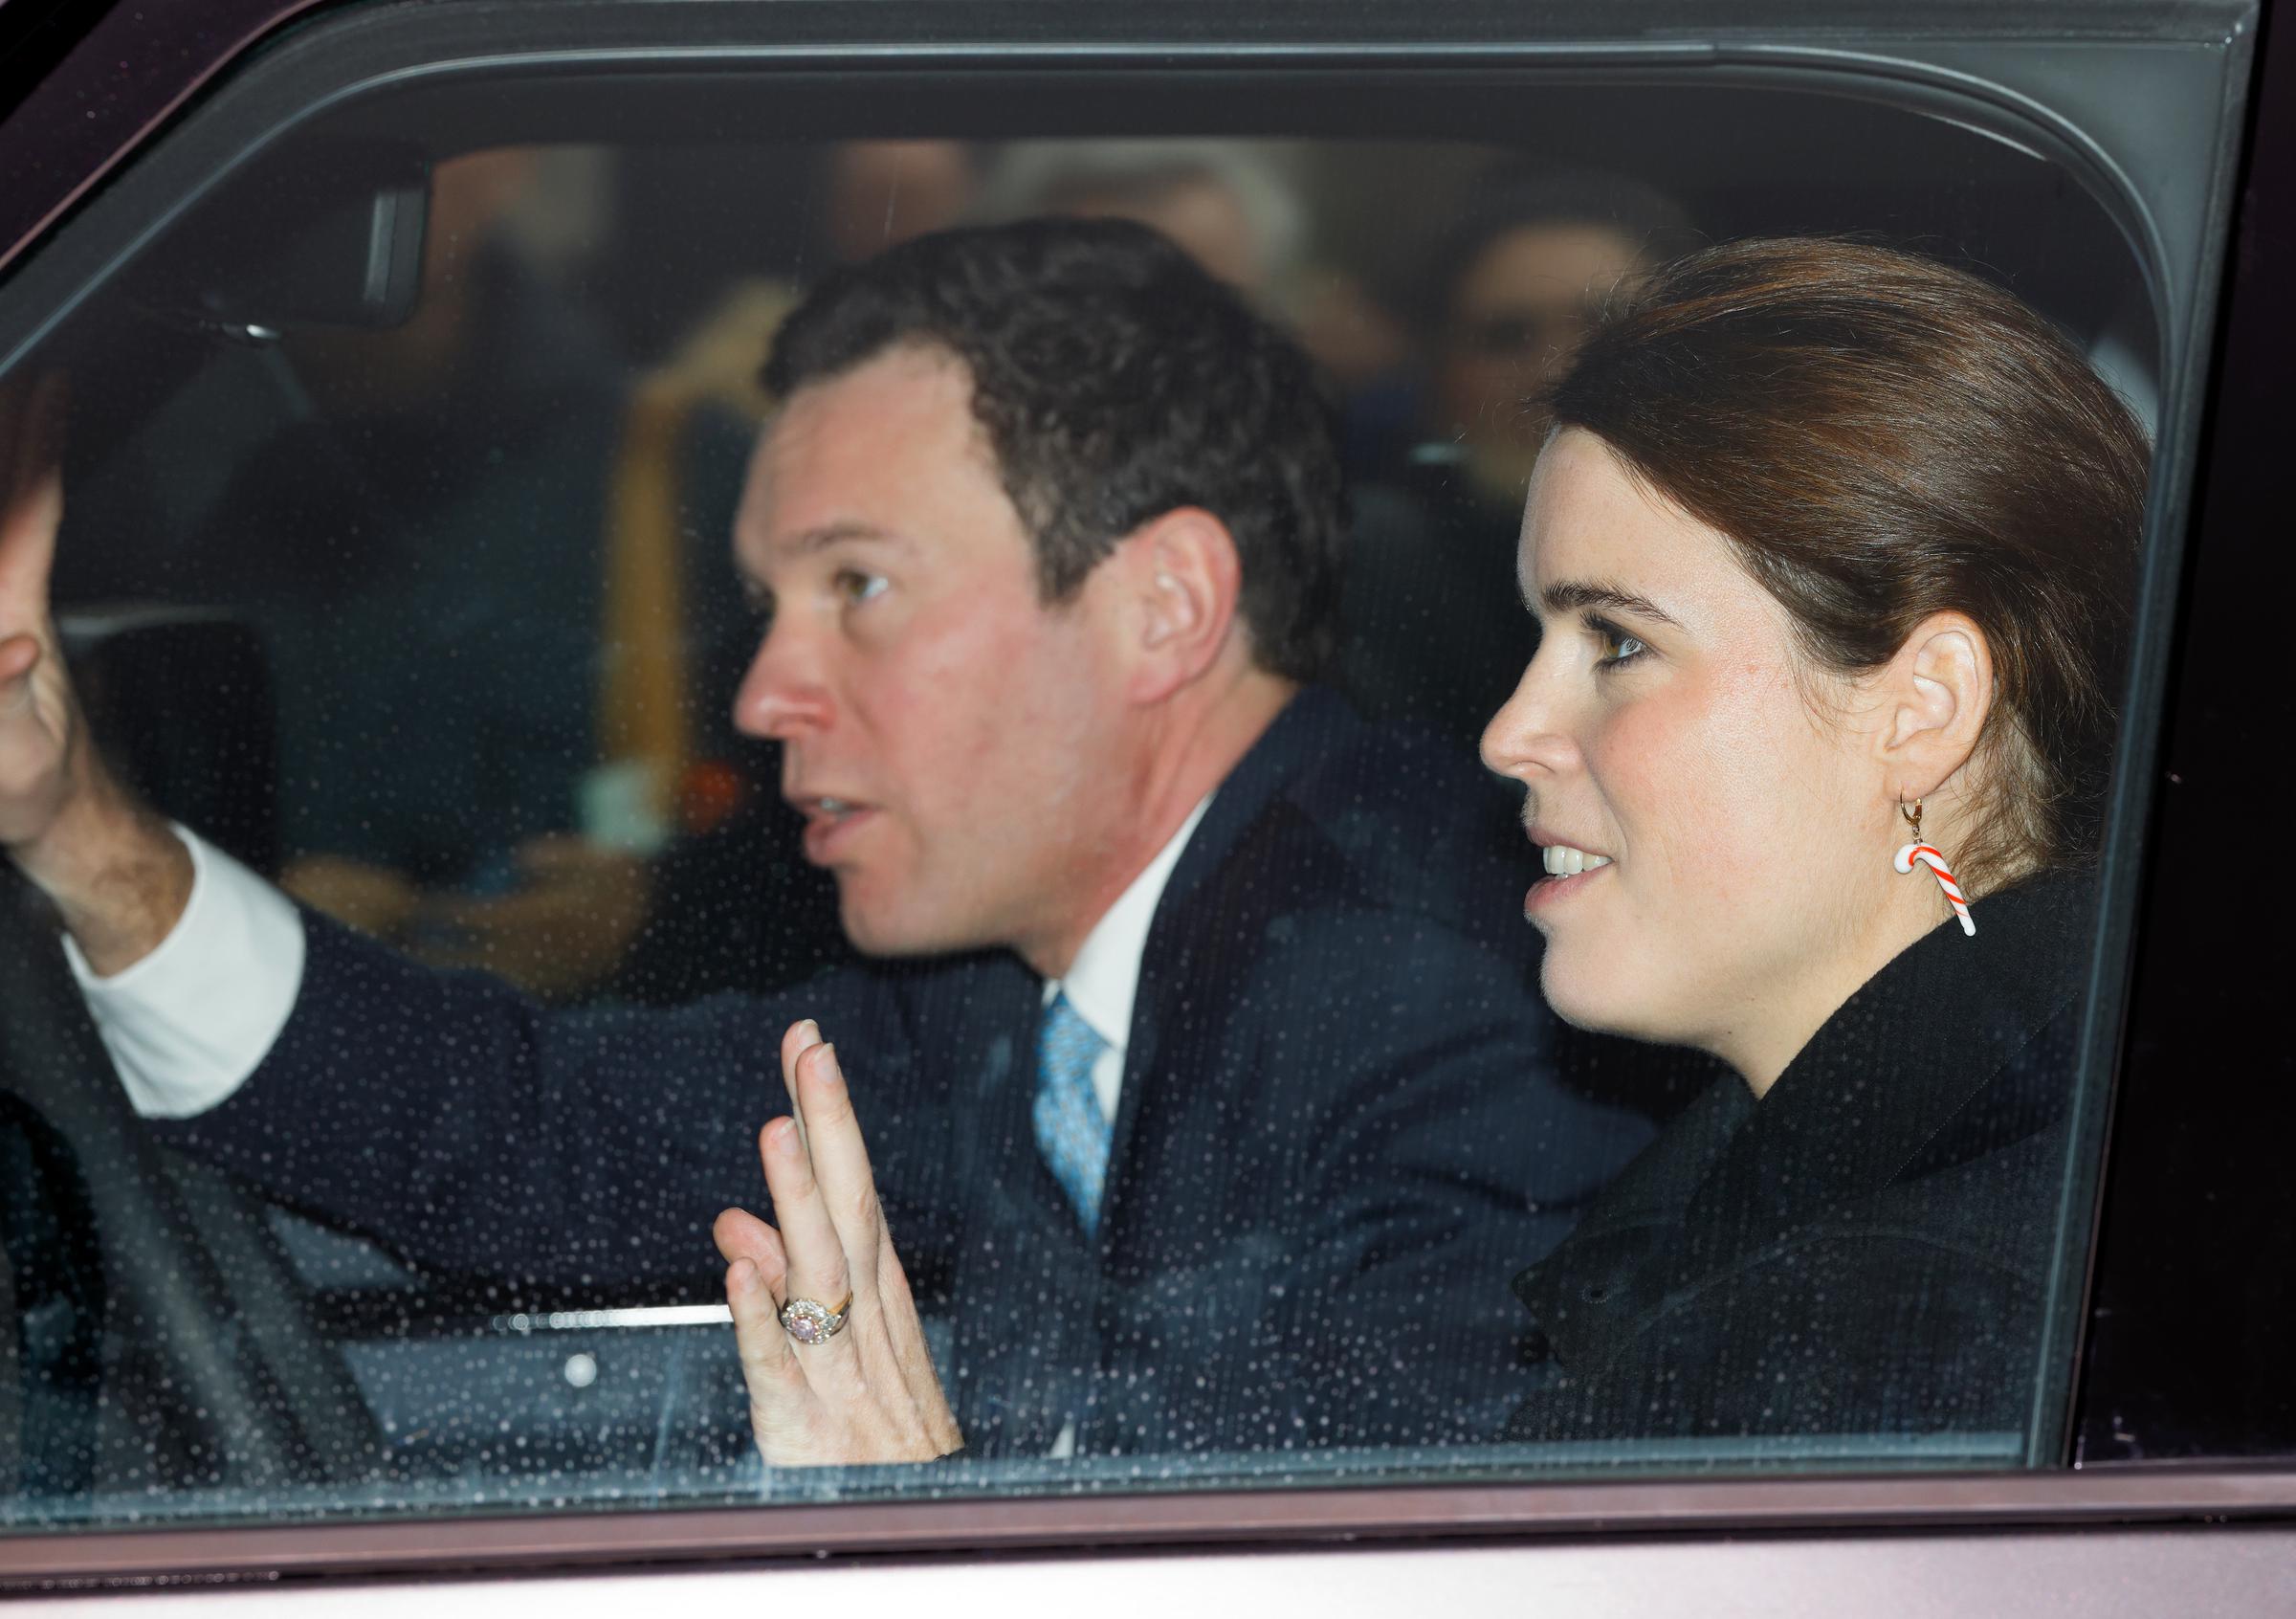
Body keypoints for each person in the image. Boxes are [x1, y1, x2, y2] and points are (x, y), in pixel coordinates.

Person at [0, 218, 1649, 1461]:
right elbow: (541, 1139)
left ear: (1163, 608)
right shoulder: (1034, 981)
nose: (773, 691)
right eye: (772, 604)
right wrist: (84, 833)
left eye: (858, 587)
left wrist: (919, 1529)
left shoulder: (1448, 1006)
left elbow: (1369, 1564)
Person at [714, 235, 2145, 1461]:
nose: (1511, 729)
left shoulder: (1911, 1334)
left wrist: (924, 1552)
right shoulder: (1856, 1220)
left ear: (1924, 709)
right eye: (1540, 638)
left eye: (1620, 643)